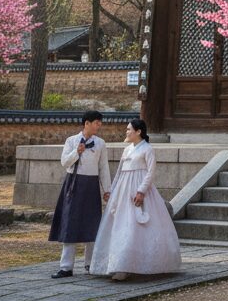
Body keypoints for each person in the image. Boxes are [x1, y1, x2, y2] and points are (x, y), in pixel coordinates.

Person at [89, 118, 181, 281]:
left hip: (139, 188)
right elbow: (119, 172)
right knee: (120, 224)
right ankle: (118, 264)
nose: (127, 132)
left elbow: (150, 173)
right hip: (123, 189)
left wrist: (141, 191)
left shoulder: (147, 149)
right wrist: (112, 190)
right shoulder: (127, 150)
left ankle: (138, 263)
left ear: (138, 131)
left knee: (137, 225)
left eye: (129, 129)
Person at [49, 109, 111, 278]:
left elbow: (103, 168)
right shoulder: (71, 141)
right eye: (97, 122)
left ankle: (91, 264)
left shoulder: (100, 143)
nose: (99, 125)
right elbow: (64, 162)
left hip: (91, 185)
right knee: (70, 223)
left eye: (100, 123)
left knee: (92, 223)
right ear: (87, 123)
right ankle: (66, 267)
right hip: (74, 184)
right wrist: (77, 151)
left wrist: (107, 190)